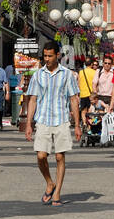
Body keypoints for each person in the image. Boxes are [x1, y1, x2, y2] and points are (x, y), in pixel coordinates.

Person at [24, 41, 81, 206]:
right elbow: (33, 99)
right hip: (43, 120)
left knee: (59, 156)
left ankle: (57, 193)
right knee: (41, 156)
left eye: (50, 56)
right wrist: (29, 123)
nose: (46, 59)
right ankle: (50, 182)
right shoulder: (38, 75)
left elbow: (73, 99)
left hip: (61, 119)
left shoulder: (67, 75)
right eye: (45, 56)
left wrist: (77, 124)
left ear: (58, 55)